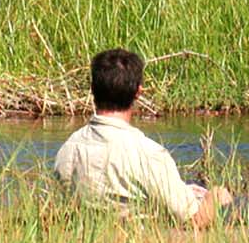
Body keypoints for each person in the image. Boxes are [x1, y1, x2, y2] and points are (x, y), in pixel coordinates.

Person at [54, 48, 234, 228]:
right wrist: (215, 197)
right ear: (138, 92)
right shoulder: (148, 153)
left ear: (92, 90)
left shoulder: (68, 148)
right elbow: (194, 221)